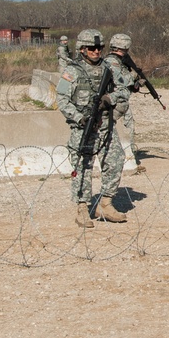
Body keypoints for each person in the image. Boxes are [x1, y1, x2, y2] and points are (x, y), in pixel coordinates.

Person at [56, 28, 129, 228]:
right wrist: (79, 118)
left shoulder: (110, 68)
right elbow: (62, 100)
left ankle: (105, 203)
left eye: (99, 48)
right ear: (82, 49)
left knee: (115, 161)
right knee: (82, 166)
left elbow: (124, 91)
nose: (96, 51)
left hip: (105, 125)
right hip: (84, 128)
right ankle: (82, 208)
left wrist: (109, 98)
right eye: (92, 48)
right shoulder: (73, 71)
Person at [102, 33, 146, 175]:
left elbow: (126, 85)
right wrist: (133, 75)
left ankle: (129, 154)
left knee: (129, 125)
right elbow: (120, 81)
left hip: (121, 100)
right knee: (112, 129)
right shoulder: (112, 62)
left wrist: (136, 84)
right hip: (113, 101)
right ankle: (125, 156)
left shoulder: (120, 62)